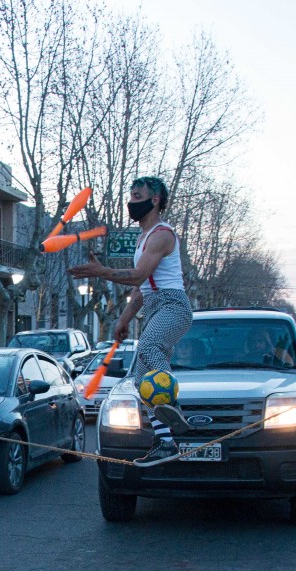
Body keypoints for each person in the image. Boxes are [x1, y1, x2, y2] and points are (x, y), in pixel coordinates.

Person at [69, 176, 192, 464]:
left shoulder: (162, 234)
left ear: (155, 200)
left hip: (173, 305)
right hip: (153, 305)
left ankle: (172, 407)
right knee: (139, 380)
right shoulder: (142, 238)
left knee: (149, 349)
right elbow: (142, 286)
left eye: (137, 196)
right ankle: (165, 441)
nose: (131, 202)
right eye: (131, 196)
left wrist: (100, 271)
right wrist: (124, 319)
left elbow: (137, 275)